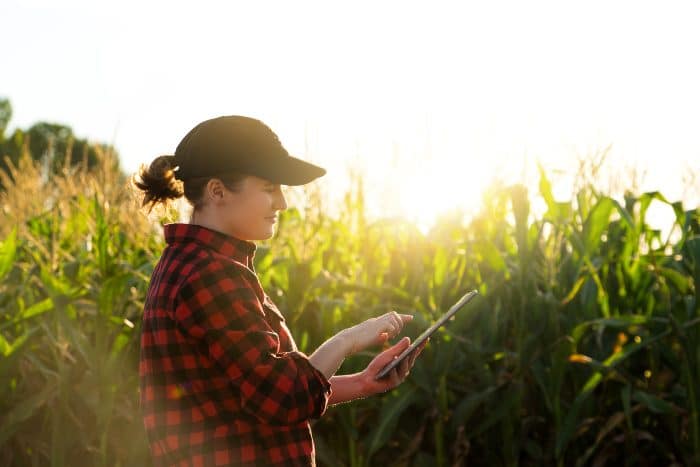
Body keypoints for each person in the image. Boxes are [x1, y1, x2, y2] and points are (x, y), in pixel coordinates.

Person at [133, 115, 425, 467]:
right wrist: (347, 341)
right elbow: (282, 396)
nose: (282, 203)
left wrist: (362, 383)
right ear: (217, 191)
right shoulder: (211, 275)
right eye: (270, 188)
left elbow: (253, 393)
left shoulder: (189, 263)